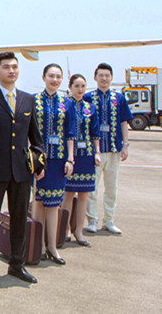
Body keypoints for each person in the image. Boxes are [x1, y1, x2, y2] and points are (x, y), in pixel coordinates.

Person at [0, 52, 45, 284]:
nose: (11, 71)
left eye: (14, 67)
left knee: (19, 220)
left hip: (22, 171)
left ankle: (17, 264)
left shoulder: (28, 100)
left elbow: (36, 136)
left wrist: (39, 162)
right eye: (6, 67)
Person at [31, 63, 75, 265]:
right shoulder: (33, 100)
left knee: (54, 204)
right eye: (51, 76)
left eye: (58, 76)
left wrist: (70, 159)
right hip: (38, 159)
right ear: (43, 78)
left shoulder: (67, 104)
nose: (55, 80)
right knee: (38, 201)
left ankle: (52, 246)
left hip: (58, 160)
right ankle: (38, 245)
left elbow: (70, 134)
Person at [83, 63, 132, 234]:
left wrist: (125, 145)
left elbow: (124, 122)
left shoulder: (119, 98)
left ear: (111, 78)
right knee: (92, 188)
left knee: (111, 187)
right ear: (95, 78)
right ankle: (92, 220)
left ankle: (109, 220)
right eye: (101, 75)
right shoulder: (88, 98)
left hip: (113, 149)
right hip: (94, 151)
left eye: (107, 75)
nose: (104, 79)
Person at [62, 74, 101, 246]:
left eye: (83, 86)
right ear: (70, 87)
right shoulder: (64, 105)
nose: (80, 89)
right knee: (68, 193)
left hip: (86, 155)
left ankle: (79, 230)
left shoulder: (90, 108)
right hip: (70, 155)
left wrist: (97, 152)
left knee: (84, 194)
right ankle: (65, 229)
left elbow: (95, 133)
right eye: (76, 86)